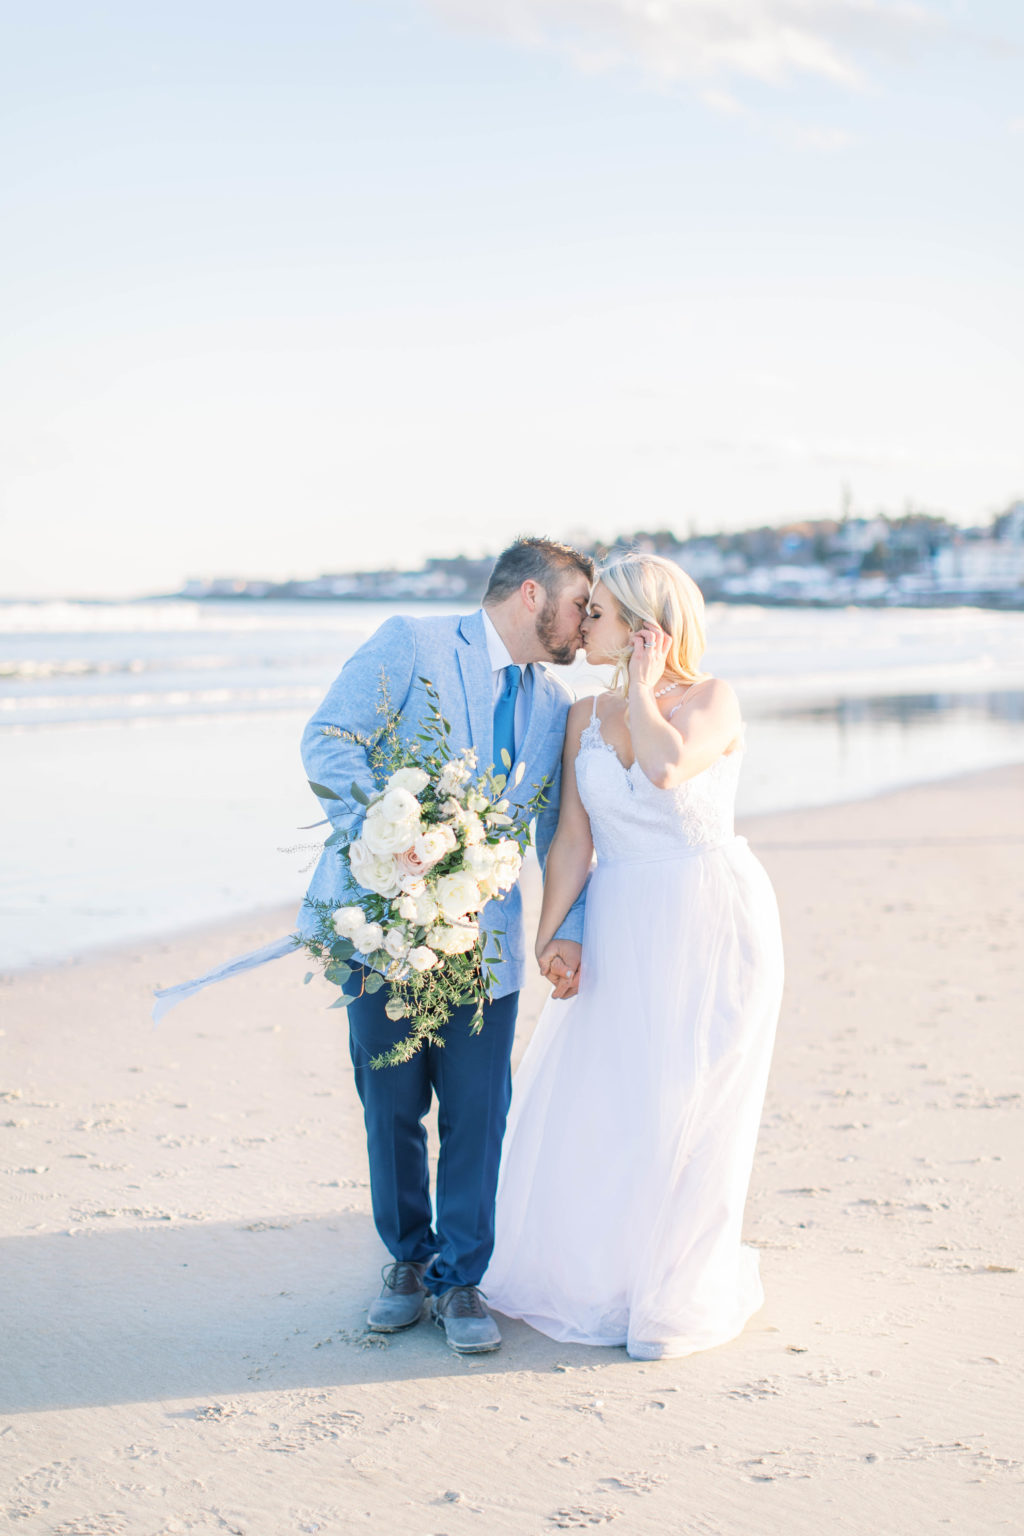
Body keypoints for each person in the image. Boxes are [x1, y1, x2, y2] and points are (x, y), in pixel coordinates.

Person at [484, 552, 785, 1360]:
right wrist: (554, 935)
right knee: (613, 1095)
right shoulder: (583, 717)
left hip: (711, 919)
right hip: (621, 917)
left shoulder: (712, 700)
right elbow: (574, 839)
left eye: (599, 616)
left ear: (646, 631)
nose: (582, 626)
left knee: (691, 1099)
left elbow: (663, 768)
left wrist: (646, 691)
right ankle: (606, 1276)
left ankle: (672, 1290)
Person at [297, 537, 594, 1354]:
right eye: (579, 605)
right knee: (391, 1102)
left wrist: (562, 930)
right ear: (532, 595)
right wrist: (400, 845)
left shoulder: (553, 702)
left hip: (485, 940)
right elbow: (329, 742)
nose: (586, 623)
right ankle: (407, 1259)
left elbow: (554, 829)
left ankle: (461, 1277)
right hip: (383, 926)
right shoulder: (413, 643)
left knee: (479, 1110)